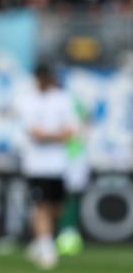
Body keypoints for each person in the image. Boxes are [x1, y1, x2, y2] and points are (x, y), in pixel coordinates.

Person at [17, 63, 79, 270]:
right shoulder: (28, 100)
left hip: (58, 165)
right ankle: (46, 245)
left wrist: (49, 136)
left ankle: (40, 240)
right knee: (41, 205)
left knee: (56, 207)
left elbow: (71, 130)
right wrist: (56, 135)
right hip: (35, 165)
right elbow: (33, 132)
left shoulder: (62, 99)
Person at [56, 98, 88, 256]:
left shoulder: (72, 102)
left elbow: (82, 126)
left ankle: (69, 229)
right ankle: (62, 230)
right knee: (57, 195)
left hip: (74, 156)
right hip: (58, 157)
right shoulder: (62, 102)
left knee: (72, 194)